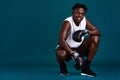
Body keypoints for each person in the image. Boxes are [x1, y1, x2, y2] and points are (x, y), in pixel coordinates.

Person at [55, 3, 100, 77]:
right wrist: (74, 54)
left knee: (95, 37)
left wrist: (86, 31)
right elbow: (61, 41)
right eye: (77, 13)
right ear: (73, 12)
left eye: (82, 14)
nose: (80, 16)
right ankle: (62, 65)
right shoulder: (67, 22)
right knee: (61, 54)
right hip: (66, 49)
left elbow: (98, 32)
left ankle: (86, 68)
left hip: (79, 48)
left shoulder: (84, 20)